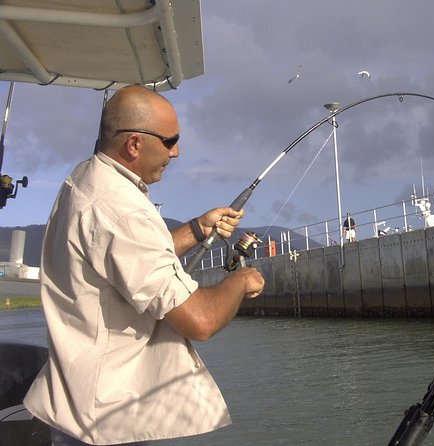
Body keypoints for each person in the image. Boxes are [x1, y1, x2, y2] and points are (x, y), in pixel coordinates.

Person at [23, 85, 265, 446]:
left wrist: (198, 228)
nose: (177, 151)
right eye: (170, 140)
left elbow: (124, 260)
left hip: (79, 409)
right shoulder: (122, 210)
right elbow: (200, 320)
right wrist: (242, 280)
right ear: (134, 144)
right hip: (107, 422)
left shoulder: (85, 179)